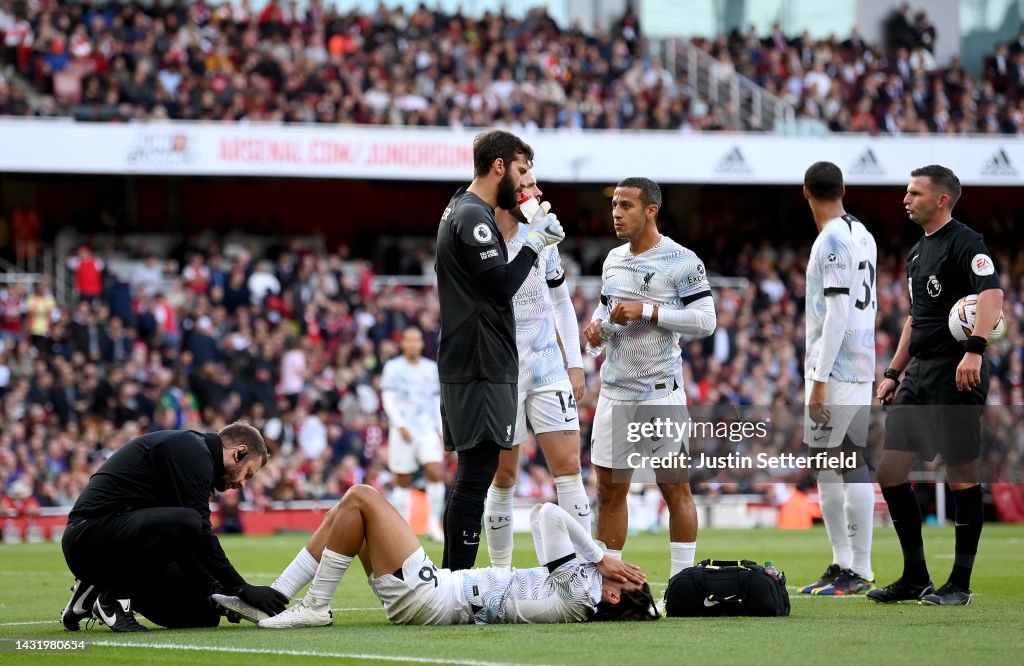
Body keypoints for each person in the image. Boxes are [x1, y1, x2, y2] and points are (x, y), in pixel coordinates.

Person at [212, 485, 657, 627]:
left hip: (434, 597)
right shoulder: (582, 589)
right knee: (348, 513)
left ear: (614, 598)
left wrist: (599, 556)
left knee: (363, 497)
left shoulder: (582, 593)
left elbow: (545, 516)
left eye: (629, 577)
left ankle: (314, 606)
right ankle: (273, 598)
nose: (626, 569)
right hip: (436, 592)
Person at [870, 165, 1003, 606]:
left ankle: (960, 584)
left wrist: (975, 349)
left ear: (941, 199)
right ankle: (915, 577)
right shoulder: (915, 254)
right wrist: (892, 372)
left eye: (914, 193)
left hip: (956, 371)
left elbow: (992, 296)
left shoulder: (966, 242)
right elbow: (915, 317)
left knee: (961, 475)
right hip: (918, 375)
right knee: (890, 471)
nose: (906, 199)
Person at [434, 130, 565, 570]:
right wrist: (534, 242)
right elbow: (500, 286)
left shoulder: (465, 207)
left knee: (472, 476)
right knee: (475, 479)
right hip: (479, 360)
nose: (527, 181)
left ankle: (454, 583)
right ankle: (458, 584)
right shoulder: (472, 215)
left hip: (472, 358)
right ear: (499, 167)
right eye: (522, 170)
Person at [583, 177, 716, 581]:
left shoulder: (681, 260)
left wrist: (649, 311)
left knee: (675, 490)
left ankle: (682, 585)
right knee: (609, 492)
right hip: (614, 393)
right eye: (614, 206)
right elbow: (606, 312)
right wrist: (594, 330)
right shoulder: (612, 259)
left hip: (661, 392)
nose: (617, 214)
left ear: (651, 210)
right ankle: (611, 587)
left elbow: (706, 321)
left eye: (626, 206)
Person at [60, 422, 287, 632]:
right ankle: (110, 601)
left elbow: (184, 544)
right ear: (239, 452)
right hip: (88, 538)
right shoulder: (192, 451)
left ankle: (91, 592)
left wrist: (219, 592)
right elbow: (198, 533)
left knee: (202, 616)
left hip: (118, 544)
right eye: (247, 473)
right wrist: (240, 588)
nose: (242, 484)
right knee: (189, 522)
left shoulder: (196, 460)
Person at [484, 170, 588, 567]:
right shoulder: (483, 238)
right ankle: (500, 574)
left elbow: (561, 302)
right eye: (528, 187)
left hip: (547, 367)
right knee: (503, 477)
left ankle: (583, 571)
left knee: (569, 469)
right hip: (504, 372)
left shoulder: (544, 237)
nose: (537, 192)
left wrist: (574, 364)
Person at [796, 162, 878, 596]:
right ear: (842, 189)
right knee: (832, 462)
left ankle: (857, 568)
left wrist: (819, 377)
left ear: (805, 192)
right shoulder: (862, 233)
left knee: (844, 459)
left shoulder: (829, 240)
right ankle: (843, 563)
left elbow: (838, 312)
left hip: (839, 366)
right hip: (860, 361)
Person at [381, 326, 447, 542]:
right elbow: (388, 398)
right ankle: (404, 527)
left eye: (416, 340)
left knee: (435, 472)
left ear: (421, 343)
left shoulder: (430, 368)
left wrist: (441, 429)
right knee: (403, 479)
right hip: (403, 431)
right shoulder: (393, 367)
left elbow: (436, 401)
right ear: (403, 344)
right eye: (409, 340)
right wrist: (400, 425)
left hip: (426, 428)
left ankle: (433, 525)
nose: (413, 344)